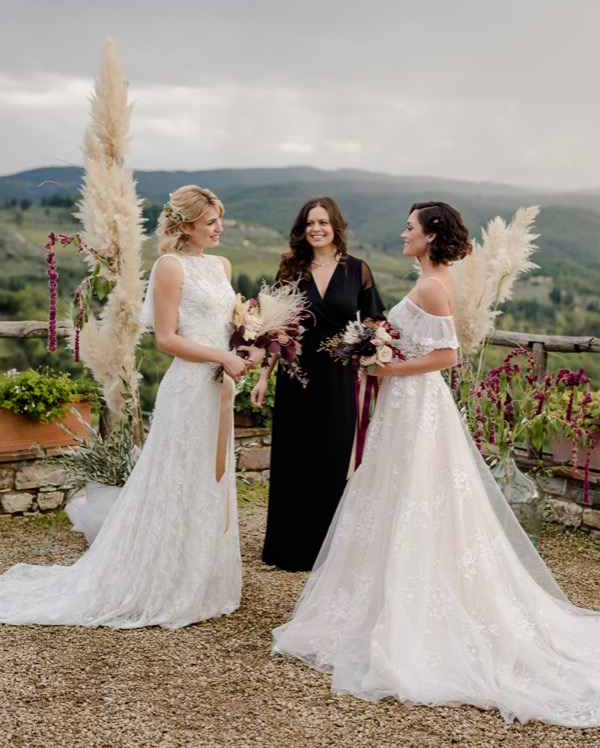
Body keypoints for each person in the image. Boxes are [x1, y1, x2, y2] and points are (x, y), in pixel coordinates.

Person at [272, 201, 600, 728]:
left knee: (413, 495)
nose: (402, 233)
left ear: (430, 236)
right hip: (407, 405)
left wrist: (386, 367)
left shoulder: (431, 286)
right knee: (400, 495)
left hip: (416, 402)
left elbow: (447, 357)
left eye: (409, 228)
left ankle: (412, 610)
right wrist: (382, 358)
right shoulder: (430, 279)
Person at [0, 185, 258, 629]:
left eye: (219, 219)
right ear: (185, 224)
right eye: (210, 221)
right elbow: (166, 339)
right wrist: (222, 356)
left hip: (220, 386)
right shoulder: (169, 267)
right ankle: (163, 580)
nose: (219, 228)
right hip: (190, 388)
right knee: (176, 475)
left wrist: (246, 345)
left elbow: (226, 326)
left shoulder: (221, 265)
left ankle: (204, 576)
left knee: (209, 477)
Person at [251, 196, 384, 571]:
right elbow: (276, 328)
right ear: (302, 228)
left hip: (342, 375)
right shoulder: (291, 270)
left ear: (335, 226)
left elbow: (375, 321)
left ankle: (332, 551)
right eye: (310, 223)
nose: (316, 228)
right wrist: (263, 377)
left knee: (334, 454)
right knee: (296, 453)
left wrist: (362, 350)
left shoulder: (357, 270)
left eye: (323, 222)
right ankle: (290, 547)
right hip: (297, 375)